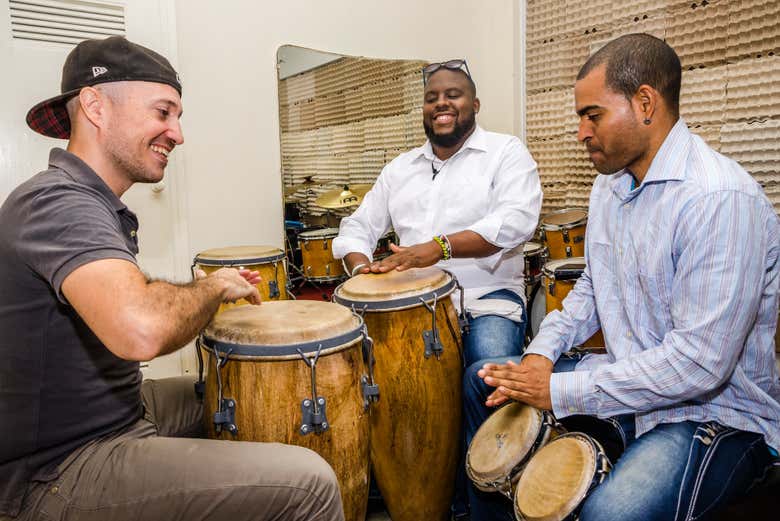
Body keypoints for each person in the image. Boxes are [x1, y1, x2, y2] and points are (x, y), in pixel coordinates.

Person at [0, 36, 343, 521]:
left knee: (254, 383)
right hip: (58, 467)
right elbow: (141, 327)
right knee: (311, 484)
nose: (177, 134)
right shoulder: (59, 202)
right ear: (96, 106)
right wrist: (214, 286)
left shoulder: (88, 201)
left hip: (115, 412)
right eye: (163, 112)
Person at [467, 33, 780, 521]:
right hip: (633, 382)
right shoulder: (609, 186)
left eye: (592, 115)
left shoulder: (719, 199)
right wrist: (539, 355)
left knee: (608, 514)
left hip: (715, 415)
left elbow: (700, 366)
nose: (581, 133)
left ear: (646, 103)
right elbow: (593, 286)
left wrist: (559, 390)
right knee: (480, 381)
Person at [332, 59, 542, 517]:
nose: (442, 103)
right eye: (432, 97)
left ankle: (487, 502)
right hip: (409, 311)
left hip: (487, 300)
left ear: (475, 104)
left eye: (453, 94)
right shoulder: (400, 168)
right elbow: (356, 226)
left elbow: (515, 222)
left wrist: (438, 247)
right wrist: (362, 267)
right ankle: (408, 486)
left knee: (488, 377)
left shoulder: (507, 153)